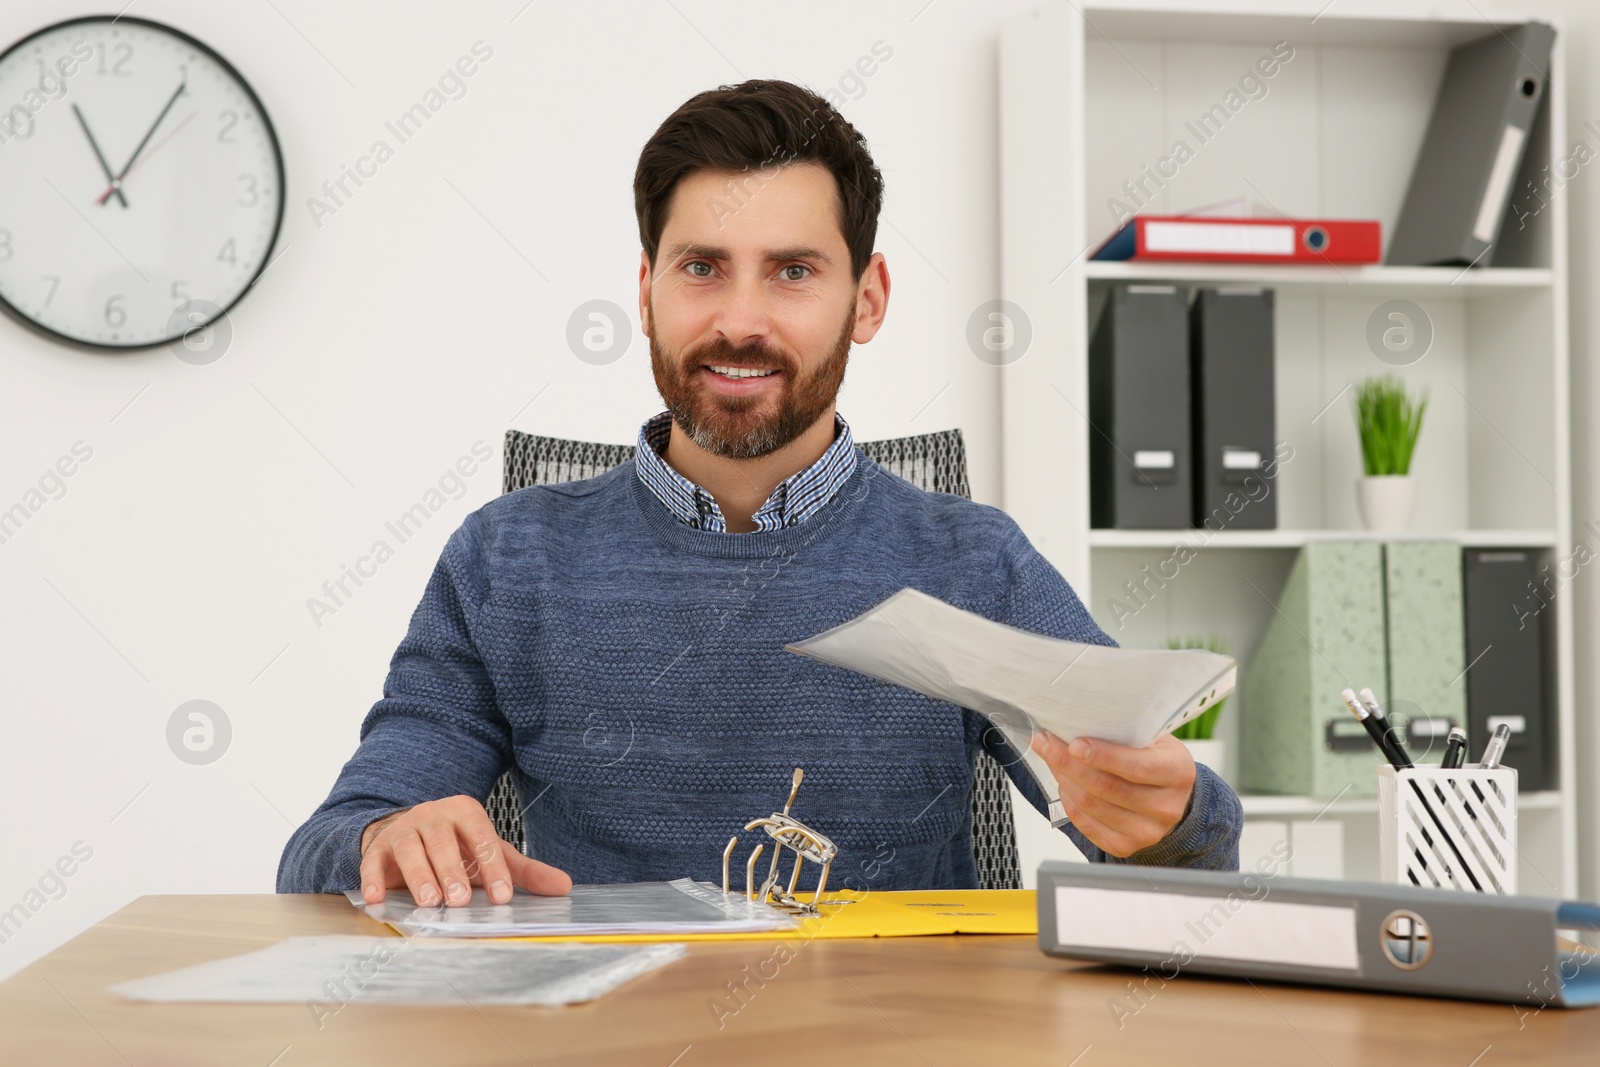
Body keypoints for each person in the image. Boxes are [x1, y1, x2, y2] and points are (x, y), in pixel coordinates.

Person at [277, 79, 1242, 908]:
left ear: (867, 300)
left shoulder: (973, 560)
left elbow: (1178, 865)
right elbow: (325, 848)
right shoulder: (504, 557)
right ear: (647, 287)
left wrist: (1170, 816)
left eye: (792, 272)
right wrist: (383, 841)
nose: (740, 321)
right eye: (702, 268)